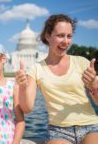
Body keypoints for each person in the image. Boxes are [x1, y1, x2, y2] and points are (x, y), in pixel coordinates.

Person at [16, 14, 98, 144]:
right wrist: (22, 87)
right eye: (60, 35)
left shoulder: (82, 62)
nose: (65, 41)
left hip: (90, 127)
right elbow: (27, 108)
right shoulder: (36, 69)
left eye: (69, 36)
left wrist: (94, 85)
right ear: (48, 36)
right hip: (59, 131)